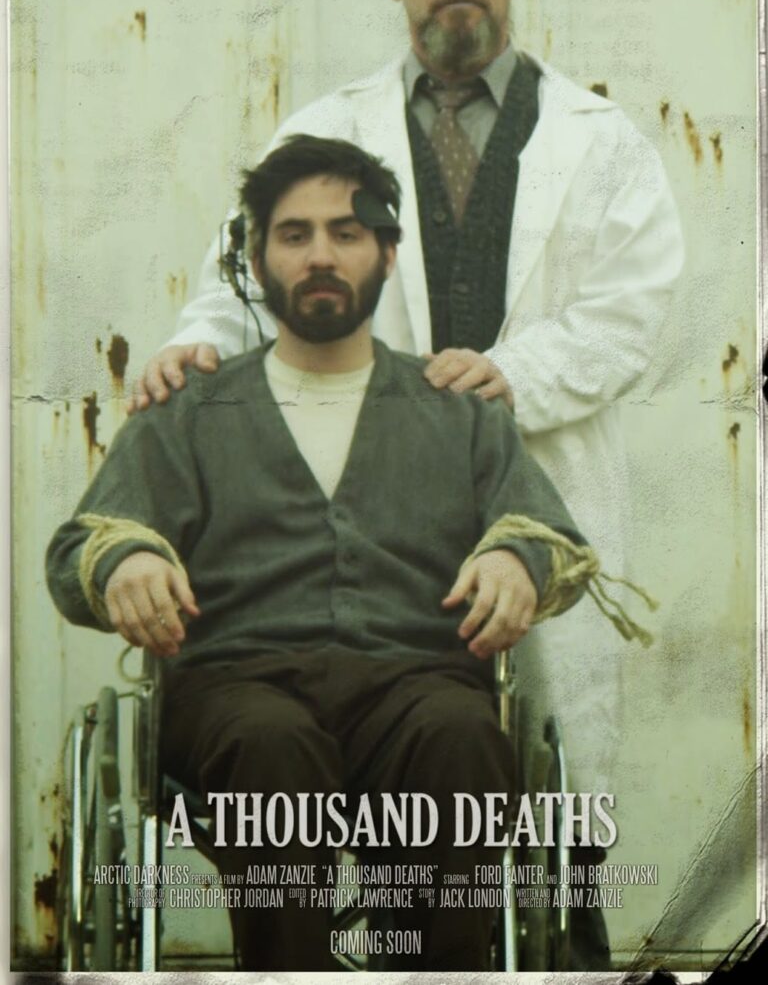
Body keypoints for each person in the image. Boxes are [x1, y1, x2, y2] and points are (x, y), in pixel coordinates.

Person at [125, 0, 684, 964]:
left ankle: (548, 953)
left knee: (530, 769)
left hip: (526, 485)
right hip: (359, 501)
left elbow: (633, 311)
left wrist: (509, 375)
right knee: (366, 745)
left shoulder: (602, 140)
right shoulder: (327, 128)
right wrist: (196, 342)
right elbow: (251, 274)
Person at [46, 135, 615, 971]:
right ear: (255, 259)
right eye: (295, 233)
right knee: (271, 745)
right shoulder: (190, 410)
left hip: (417, 689)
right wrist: (125, 561)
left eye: (348, 233)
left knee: (463, 735)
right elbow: (80, 546)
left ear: (387, 254)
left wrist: (514, 561)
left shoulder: (458, 409)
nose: (321, 254)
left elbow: (549, 533)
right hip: (239, 695)